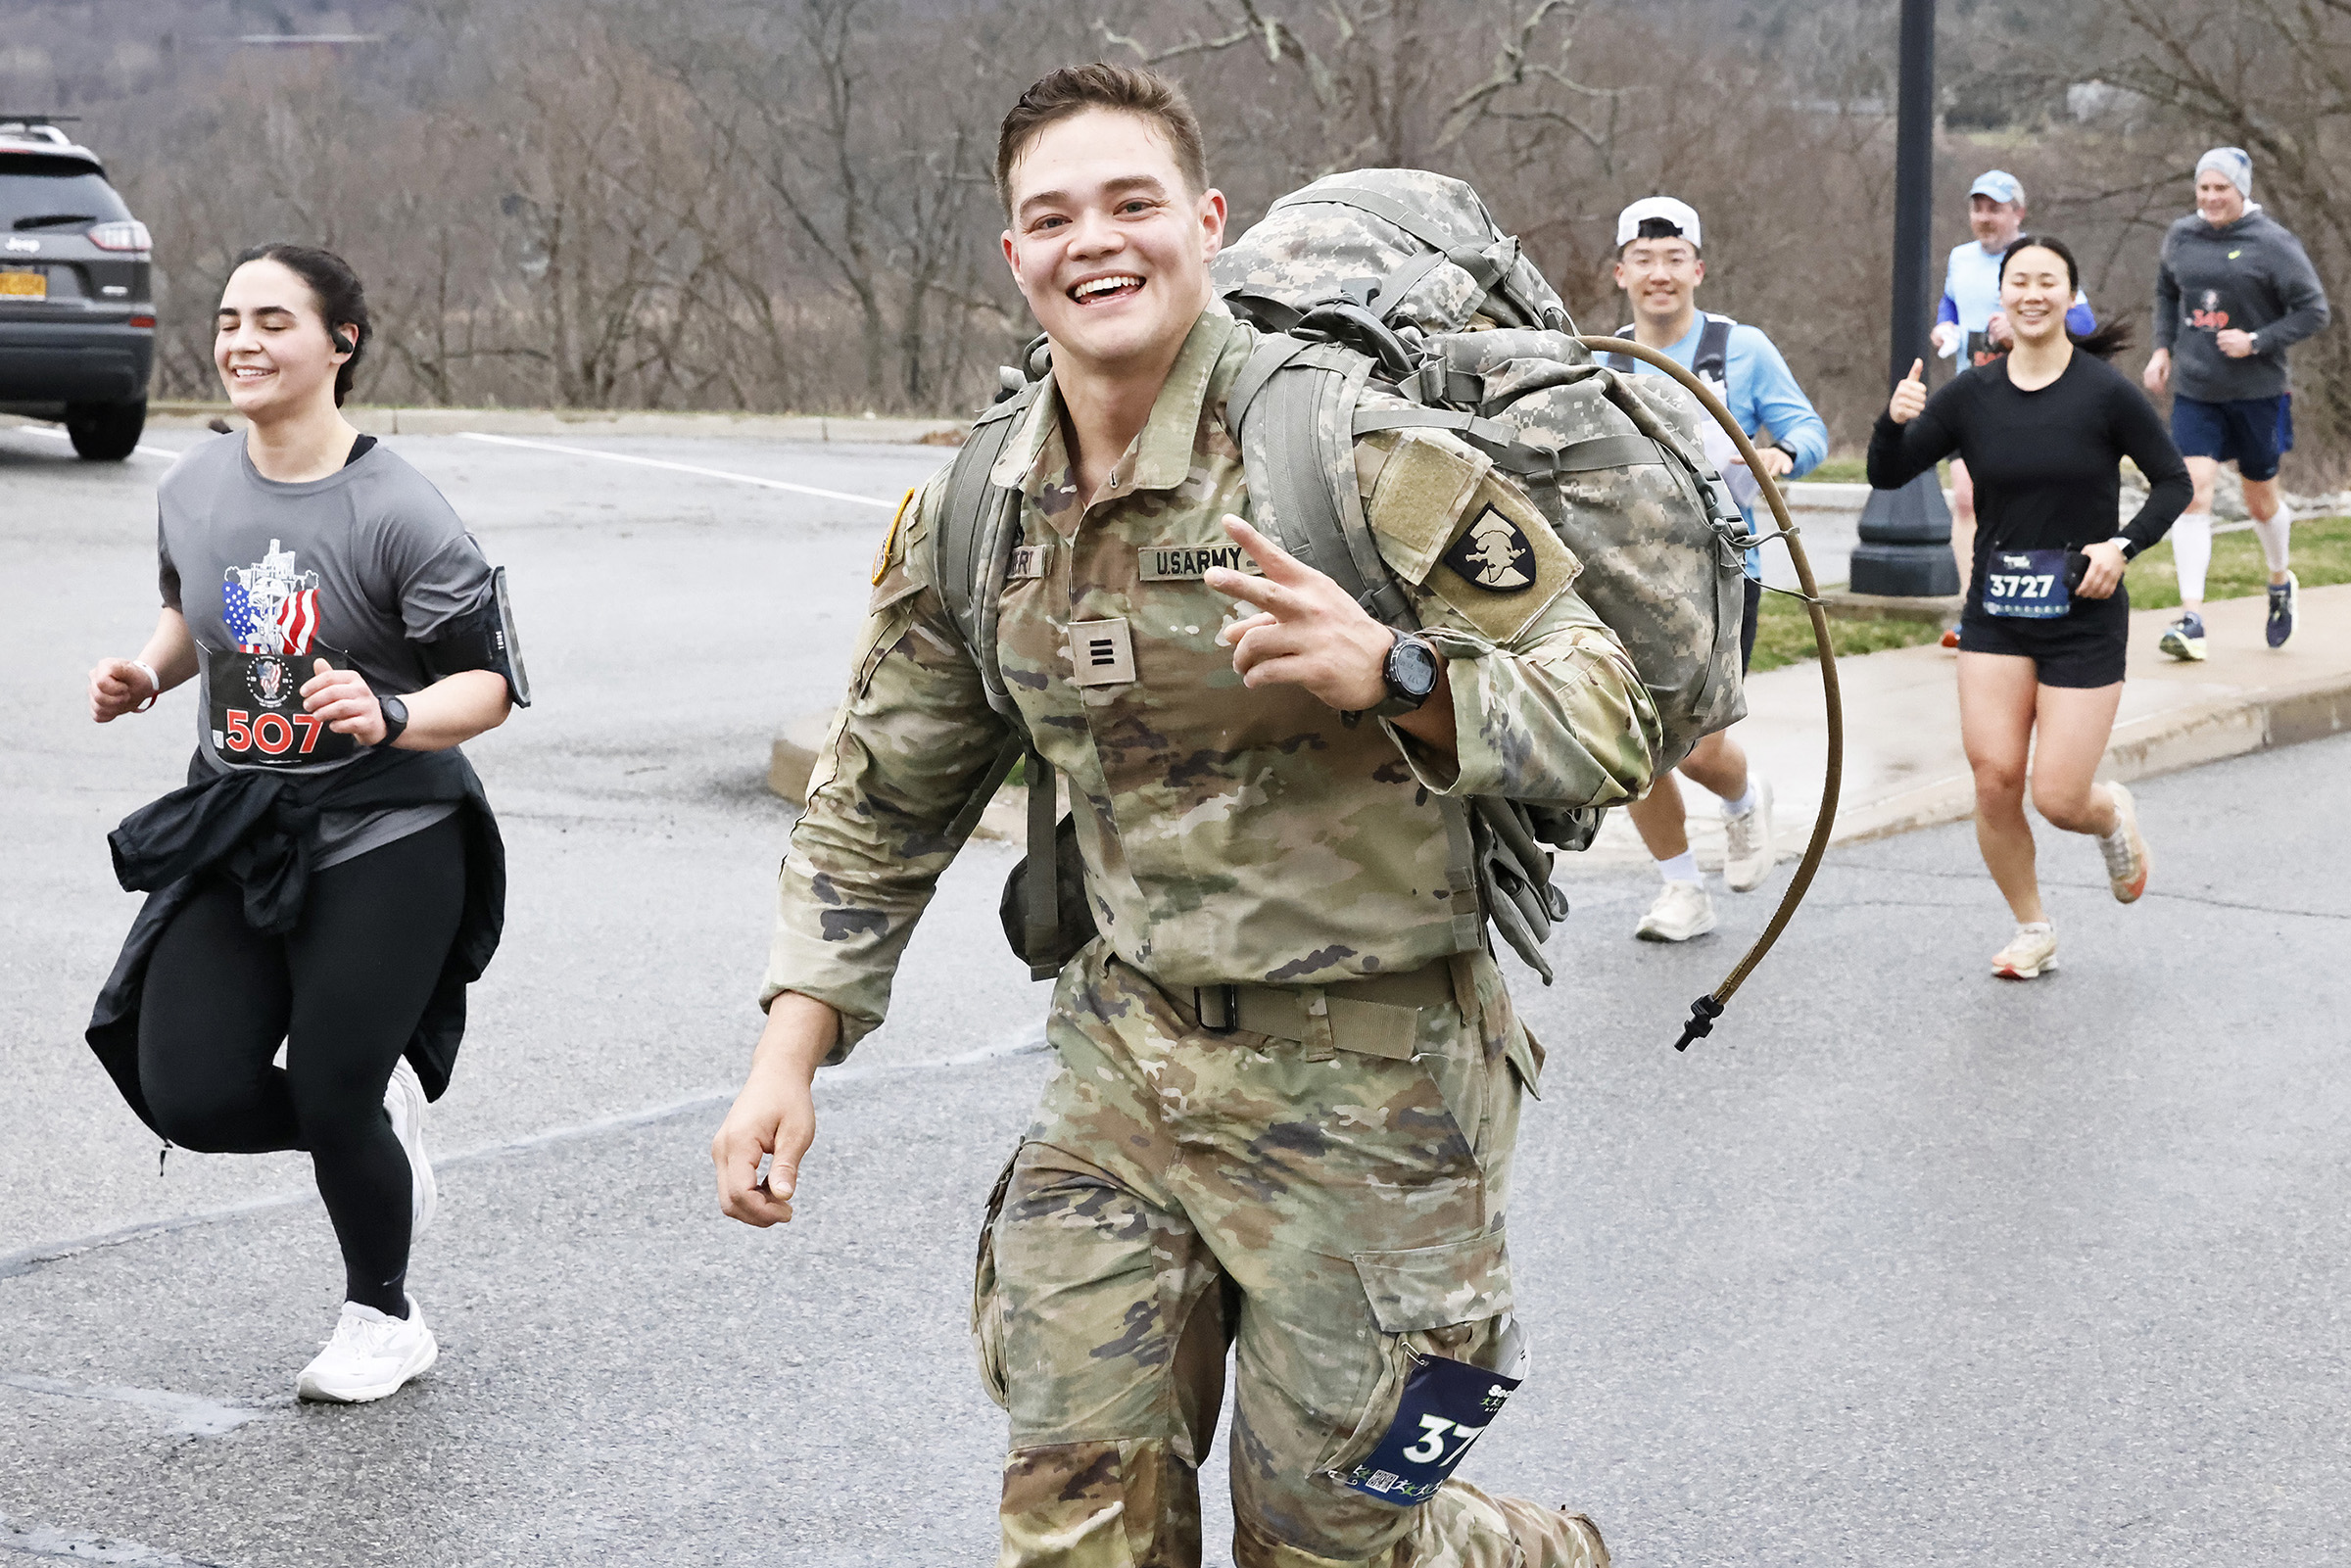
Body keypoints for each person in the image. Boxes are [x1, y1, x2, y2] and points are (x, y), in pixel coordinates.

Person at [712, 63, 1655, 1567]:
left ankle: (1534, 1551)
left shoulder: (1355, 459)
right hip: (1124, 1069)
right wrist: (788, 1053)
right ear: (1013, 253)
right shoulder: (979, 506)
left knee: (1332, 1543)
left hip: (1380, 1084)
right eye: (1052, 217)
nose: (1095, 241)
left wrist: (1399, 672)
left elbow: (1610, 715)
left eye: (1131, 203)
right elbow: (880, 802)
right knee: (1078, 1528)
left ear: (1205, 221)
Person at [84, 244, 522, 1403]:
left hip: (388, 833)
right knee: (190, 1089)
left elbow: (488, 685)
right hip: (241, 823)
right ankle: (372, 1115)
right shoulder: (194, 485)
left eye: (274, 320)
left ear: (341, 344)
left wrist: (392, 711)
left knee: (329, 1085)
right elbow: (195, 616)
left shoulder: (399, 509)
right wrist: (148, 671)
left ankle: (384, 1313)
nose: (243, 340)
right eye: (230, 318)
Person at [1870, 235, 2190, 979]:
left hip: (2084, 615)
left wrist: (2121, 547)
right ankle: (2032, 927)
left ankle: (2111, 816)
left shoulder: (2105, 393)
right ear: (2001, 297)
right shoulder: (1972, 395)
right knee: (1994, 779)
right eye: (2019, 281)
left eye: (2048, 281)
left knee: (2059, 797)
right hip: (1997, 614)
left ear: (2071, 297)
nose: (2033, 294)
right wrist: (1893, 420)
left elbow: (2173, 481)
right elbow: (1889, 473)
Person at [1606, 196, 1829, 942]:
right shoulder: (1599, 359)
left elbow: (1808, 429)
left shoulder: (1741, 349)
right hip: (1623, 575)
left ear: (1698, 270)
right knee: (1626, 740)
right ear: (1621, 273)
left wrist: (1781, 454)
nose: (1659, 274)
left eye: (1674, 260)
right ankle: (1681, 887)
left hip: (1722, 572)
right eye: (1644, 260)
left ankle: (1742, 797)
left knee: (1696, 749)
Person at [2145, 146, 2330, 660]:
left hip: (2257, 392)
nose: (2210, 198)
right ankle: (2191, 619)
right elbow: (2165, 292)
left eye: (2220, 188)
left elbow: (2314, 310)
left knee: (2260, 501)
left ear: (2241, 190)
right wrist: (2162, 348)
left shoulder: (2272, 243)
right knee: (2192, 491)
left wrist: (2257, 341)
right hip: (2197, 390)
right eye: (2203, 188)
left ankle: (2279, 580)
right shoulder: (2182, 235)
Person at [1929, 171, 2098, 642]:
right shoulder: (1961, 258)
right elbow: (1950, 302)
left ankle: (2036, 596)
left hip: (2030, 393)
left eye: (1995, 209)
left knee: (2024, 500)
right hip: (1972, 394)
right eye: (1977, 208)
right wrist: (1944, 326)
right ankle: (1972, 607)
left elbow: (2085, 321)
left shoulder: (2036, 260)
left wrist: (2018, 328)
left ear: (2017, 213)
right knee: (1967, 499)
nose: (1984, 218)